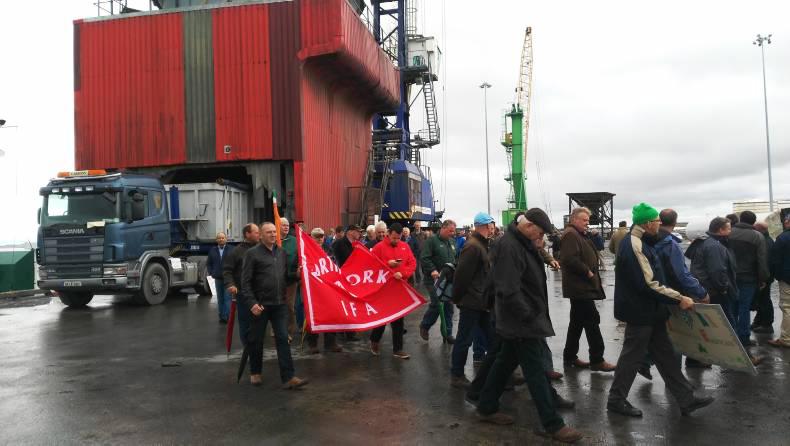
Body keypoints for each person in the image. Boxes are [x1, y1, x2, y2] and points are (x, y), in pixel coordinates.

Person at [474, 209, 583, 444]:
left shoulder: (521, 242)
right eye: (540, 232)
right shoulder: (510, 246)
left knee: (504, 362)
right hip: (521, 321)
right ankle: (553, 424)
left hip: (521, 318)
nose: (541, 237)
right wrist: (528, 316)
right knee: (535, 372)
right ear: (529, 225)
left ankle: (485, 406)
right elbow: (507, 289)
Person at [607, 203, 713, 418]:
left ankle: (686, 398)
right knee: (631, 357)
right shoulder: (634, 244)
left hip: (651, 311)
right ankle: (616, 400)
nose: (659, 224)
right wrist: (679, 298)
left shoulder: (641, 241)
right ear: (647, 224)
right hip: (641, 312)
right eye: (656, 221)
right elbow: (649, 284)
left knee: (665, 355)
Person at [239, 222, 308, 389]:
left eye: (273, 232)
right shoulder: (252, 254)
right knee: (256, 340)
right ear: (261, 236)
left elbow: (285, 277)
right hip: (260, 306)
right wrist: (252, 303)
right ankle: (255, 372)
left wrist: (297, 275)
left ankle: (289, 377)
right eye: (268, 232)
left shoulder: (281, 253)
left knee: (283, 339)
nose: (272, 234)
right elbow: (245, 282)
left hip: (278, 305)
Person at [686, 217, 761, 365]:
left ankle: (694, 359)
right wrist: (725, 289)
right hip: (715, 292)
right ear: (720, 230)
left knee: (703, 326)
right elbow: (717, 271)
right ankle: (743, 359)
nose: (730, 231)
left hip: (705, 291)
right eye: (728, 228)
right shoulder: (714, 246)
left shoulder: (705, 242)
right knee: (729, 326)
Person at [559, 207, 616, 371]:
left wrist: (594, 235)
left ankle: (569, 356)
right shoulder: (570, 234)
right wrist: (588, 272)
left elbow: (598, 248)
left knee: (576, 322)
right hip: (580, 287)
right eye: (584, 220)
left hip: (581, 287)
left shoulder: (579, 234)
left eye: (588, 221)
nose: (587, 223)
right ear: (574, 219)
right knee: (592, 321)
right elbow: (569, 259)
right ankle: (597, 359)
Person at [654, 209, 709, 370]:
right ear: (675, 222)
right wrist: (701, 292)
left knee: (657, 332)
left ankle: (648, 363)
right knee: (679, 333)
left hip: (654, 292)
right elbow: (681, 274)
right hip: (673, 295)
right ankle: (676, 373)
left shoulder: (648, 239)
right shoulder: (670, 244)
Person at [449, 212, 496, 387]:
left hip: (482, 301)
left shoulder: (482, 245)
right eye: (491, 225)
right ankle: (457, 375)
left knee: (493, 339)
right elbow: (461, 276)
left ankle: (501, 374)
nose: (493, 228)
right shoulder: (473, 246)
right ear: (484, 226)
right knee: (464, 339)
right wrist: (457, 298)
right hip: (472, 302)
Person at [370, 223, 416, 359]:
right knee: (383, 320)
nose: (396, 241)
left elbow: (412, 263)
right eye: (394, 238)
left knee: (398, 320)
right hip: (384, 289)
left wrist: (404, 273)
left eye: (398, 238)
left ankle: (398, 349)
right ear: (389, 234)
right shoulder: (379, 247)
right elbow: (371, 265)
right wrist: (387, 265)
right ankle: (374, 340)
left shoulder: (405, 246)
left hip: (399, 288)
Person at [728, 210, 770, 346]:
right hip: (749, 277)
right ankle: (743, 338)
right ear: (753, 222)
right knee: (744, 307)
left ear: (740, 219)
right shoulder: (757, 236)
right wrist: (763, 278)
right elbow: (761, 260)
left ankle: (732, 336)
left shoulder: (729, 233)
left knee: (732, 306)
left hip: (730, 277)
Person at [305, 228, 343, 353]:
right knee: (313, 315)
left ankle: (330, 342)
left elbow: (334, 265)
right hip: (313, 288)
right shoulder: (305, 251)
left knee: (331, 314)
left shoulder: (328, 249)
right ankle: (312, 344)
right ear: (312, 237)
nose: (320, 238)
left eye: (321, 236)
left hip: (328, 287)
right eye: (317, 236)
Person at [419, 219, 458, 343]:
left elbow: (454, 258)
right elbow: (424, 258)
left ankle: (448, 333)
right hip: (433, 279)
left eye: (454, 231)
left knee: (449, 307)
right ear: (443, 228)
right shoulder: (432, 241)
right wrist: (433, 270)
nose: (453, 233)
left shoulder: (451, 242)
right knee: (437, 304)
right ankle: (425, 325)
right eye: (451, 231)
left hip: (448, 280)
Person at [222, 224, 260, 346]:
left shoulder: (262, 249)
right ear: (247, 234)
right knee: (245, 322)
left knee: (259, 322)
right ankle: (247, 348)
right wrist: (231, 284)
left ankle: (257, 346)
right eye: (256, 232)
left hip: (260, 293)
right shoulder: (236, 252)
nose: (258, 235)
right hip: (243, 294)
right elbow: (227, 270)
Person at [767, 214, 790, 348]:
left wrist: (778, 276)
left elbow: (775, 261)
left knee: (787, 307)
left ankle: (787, 339)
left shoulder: (783, 238)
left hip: (787, 279)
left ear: (787, 222)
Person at [752, 221, 775, 333]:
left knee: (764, 300)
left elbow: (764, 262)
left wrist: (763, 279)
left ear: (760, 230)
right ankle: (760, 321)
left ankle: (766, 324)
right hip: (767, 276)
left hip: (764, 277)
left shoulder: (764, 242)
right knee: (762, 299)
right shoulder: (767, 240)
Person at [207, 232, 234, 324]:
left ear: (226, 239)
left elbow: (236, 262)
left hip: (228, 278)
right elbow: (209, 263)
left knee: (227, 298)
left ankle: (227, 317)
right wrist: (211, 272)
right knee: (220, 298)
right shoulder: (212, 250)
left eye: (223, 238)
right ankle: (221, 316)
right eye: (219, 238)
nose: (221, 239)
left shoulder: (232, 249)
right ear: (216, 240)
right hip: (217, 277)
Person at [280, 218, 299, 339]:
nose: (286, 227)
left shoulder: (294, 241)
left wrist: (297, 272)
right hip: (275, 280)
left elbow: (299, 257)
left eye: (287, 225)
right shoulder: (274, 239)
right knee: (277, 305)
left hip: (291, 279)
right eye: (283, 225)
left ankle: (290, 330)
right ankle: (277, 329)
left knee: (289, 306)